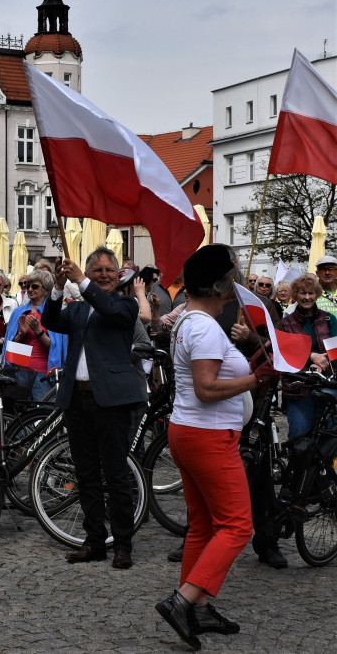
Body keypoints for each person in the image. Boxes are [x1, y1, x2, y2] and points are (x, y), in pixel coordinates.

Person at [155, 244, 279, 649]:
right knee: (238, 525)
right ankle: (183, 600)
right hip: (208, 435)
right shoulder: (205, 326)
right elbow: (208, 389)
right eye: (235, 274)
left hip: (189, 431)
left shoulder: (191, 320)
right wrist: (257, 379)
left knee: (204, 525)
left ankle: (198, 607)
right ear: (219, 283)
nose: (240, 280)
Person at [41, 247, 144, 569]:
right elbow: (49, 320)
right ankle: (95, 541)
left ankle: (123, 544)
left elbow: (112, 312)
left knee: (115, 475)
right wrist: (58, 286)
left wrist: (82, 281)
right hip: (78, 398)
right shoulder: (77, 308)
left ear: (118, 275)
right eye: (96, 270)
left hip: (112, 400)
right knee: (85, 474)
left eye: (108, 270)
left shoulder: (126, 304)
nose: (103, 274)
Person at [277, 274, 337, 440]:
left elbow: (336, 352)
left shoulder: (328, 319)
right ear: (295, 295)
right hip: (298, 386)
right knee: (299, 433)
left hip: (327, 383)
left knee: (329, 435)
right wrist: (311, 356)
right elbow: (284, 352)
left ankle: (324, 467)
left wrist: (323, 364)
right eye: (302, 293)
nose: (307, 297)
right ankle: (299, 467)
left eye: (311, 293)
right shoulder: (286, 323)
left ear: (317, 294)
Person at [2, 270, 67, 402]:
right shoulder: (18, 312)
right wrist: (22, 334)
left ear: (46, 290)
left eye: (35, 286)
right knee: (20, 416)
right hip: (20, 372)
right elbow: (10, 348)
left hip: (43, 373)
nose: (30, 289)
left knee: (42, 414)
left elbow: (56, 349)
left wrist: (38, 332)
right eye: (28, 286)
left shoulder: (54, 313)